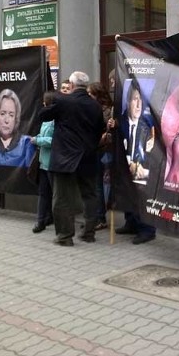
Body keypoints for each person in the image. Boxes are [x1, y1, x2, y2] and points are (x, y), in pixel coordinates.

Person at [39, 71, 105, 246]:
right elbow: (100, 130)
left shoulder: (63, 100)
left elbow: (43, 116)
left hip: (64, 157)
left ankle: (65, 236)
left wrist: (49, 103)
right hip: (88, 156)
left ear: (73, 85)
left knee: (62, 198)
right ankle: (88, 233)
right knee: (90, 195)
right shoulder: (95, 105)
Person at [115, 78, 156, 245]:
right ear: (128, 101)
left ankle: (147, 229)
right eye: (134, 99)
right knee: (128, 194)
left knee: (141, 197)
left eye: (140, 100)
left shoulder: (147, 122)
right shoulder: (123, 119)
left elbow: (151, 149)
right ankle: (131, 222)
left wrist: (139, 164)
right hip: (126, 166)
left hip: (142, 169)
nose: (138, 104)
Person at [87, 82, 114, 230]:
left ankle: (100, 217)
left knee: (101, 185)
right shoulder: (92, 108)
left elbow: (108, 133)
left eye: (90, 94)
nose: (88, 96)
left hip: (103, 149)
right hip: (95, 149)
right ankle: (97, 216)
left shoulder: (107, 110)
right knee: (95, 184)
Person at [30, 91, 56, 233]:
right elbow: (44, 135)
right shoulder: (46, 120)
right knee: (43, 193)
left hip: (52, 162)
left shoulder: (56, 120)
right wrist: (37, 137)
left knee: (55, 194)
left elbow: (54, 140)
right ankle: (40, 221)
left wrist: (38, 140)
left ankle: (57, 221)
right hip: (43, 162)